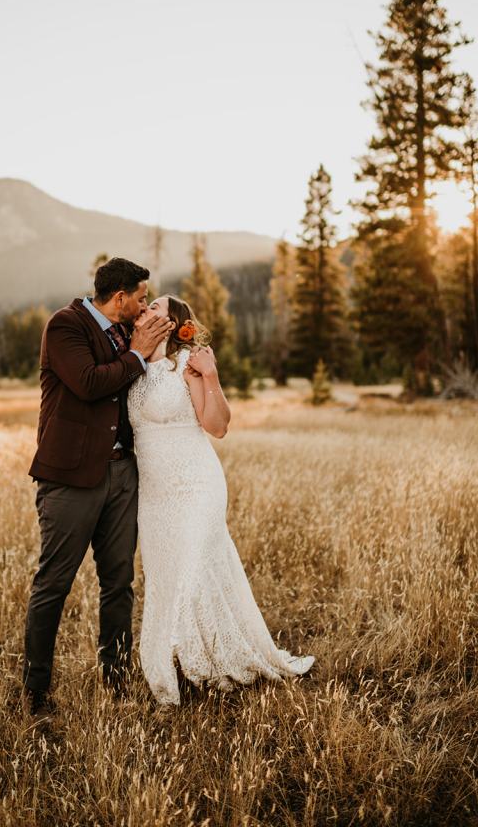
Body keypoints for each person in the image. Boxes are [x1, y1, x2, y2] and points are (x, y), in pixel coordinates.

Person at [128, 294, 315, 706]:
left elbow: (218, 426)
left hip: (196, 483)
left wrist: (210, 376)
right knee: (167, 576)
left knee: (193, 566)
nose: (148, 306)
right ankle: (177, 658)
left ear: (173, 322)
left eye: (156, 305)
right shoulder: (132, 362)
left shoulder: (186, 366)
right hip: (155, 493)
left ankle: (197, 661)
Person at [23, 258, 173, 717]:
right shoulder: (64, 326)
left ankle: (117, 681)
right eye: (142, 297)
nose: (145, 305)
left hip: (122, 475)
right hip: (70, 478)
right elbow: (89, 384)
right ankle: (37, 693)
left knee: (119, 583)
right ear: (120, 297)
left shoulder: (129, 335)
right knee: (54, 583)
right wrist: (136, 354)